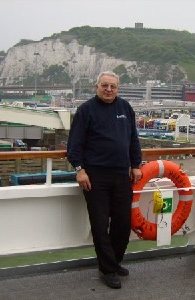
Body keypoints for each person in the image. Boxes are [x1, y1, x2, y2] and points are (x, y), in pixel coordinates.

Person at [67, 71, 142, 289]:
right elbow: (75, 144)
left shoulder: (125, 108)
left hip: (121, 175)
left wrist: (136, 165)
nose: (109, 90)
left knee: (123, 224)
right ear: (96, 86)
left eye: (113, 86)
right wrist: (80, 170)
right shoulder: (86, 110)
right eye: (105, 86)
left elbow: (133, 139)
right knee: (100, 225)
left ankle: (114, 262)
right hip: (95, 176)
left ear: (118, 88)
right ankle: (108, 270)